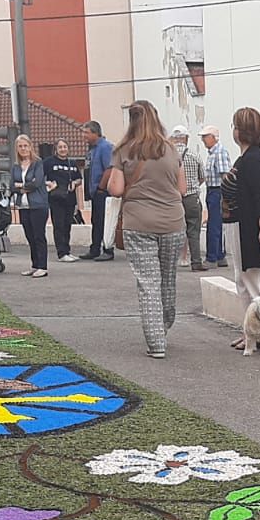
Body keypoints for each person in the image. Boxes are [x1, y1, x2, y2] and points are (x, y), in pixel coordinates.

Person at [108, 100, 187, 359]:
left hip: (138, 222)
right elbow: (183, 189)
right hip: (173, 222)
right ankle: (164, 325)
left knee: (148, 282)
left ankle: (156, 343)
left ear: (131, 121)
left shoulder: (123, 151)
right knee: (167, 278)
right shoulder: (171, 149)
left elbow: (116, 189)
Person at [223, 106, 260, 350]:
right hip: (239, 225)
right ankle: (250, 331)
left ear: (241, 131)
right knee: (243, 281)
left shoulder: (254, 158)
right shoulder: (247, 157)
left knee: (254, 282)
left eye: (235, 125)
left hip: (250, 227)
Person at [9, 134, 49, 278]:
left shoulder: (38, 163)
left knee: (39, 236)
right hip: (23, 206)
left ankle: (43, 266)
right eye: (20, 146)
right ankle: (35, 265)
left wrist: (22, 186)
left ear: (30, 147)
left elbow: (36, 182)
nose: (23, 149)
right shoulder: (15, 167)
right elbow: (12, 185)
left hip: (38, 205)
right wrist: (22, 187)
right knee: (30, 236)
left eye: (25, 146)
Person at [172, 124, 209, 272]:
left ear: (174, 139)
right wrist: (192, 185)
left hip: (174, 199)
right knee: (193, 230)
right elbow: (202, 177)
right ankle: (196, 262)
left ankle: (171, 261)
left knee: (173, 231)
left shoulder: (167, 157)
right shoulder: (194, 155)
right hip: (192, 198)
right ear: (186, 138)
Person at [79, 120, 114, 261]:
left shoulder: (105, 147)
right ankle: (95, 249)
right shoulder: (92, 149)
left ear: (95, 133)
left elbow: (109, 168)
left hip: (103, 192)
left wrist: (101, 187)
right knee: (96, 220)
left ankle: (108, 249)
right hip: (95, 192)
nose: (84, 135)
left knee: (104, 221)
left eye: (86, 133)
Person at [45, 138, 81, 262]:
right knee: (59, 226)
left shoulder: (72, 163)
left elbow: (79, 179)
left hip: (70, 198)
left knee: (67, 226)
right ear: (56, 149)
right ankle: (61, 253)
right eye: (60, 147)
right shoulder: (49, 162)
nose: (63, 149)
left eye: (65, 147)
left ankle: (67, 251)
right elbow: (40, 177)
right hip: (56, 199)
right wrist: (49, 184)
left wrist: (75, 183)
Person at [201, 123, 232, 267]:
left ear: (214, 137)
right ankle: (219, 256)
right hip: (213, 190)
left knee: (213, 225)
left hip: (217, 191)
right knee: (216, 224)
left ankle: (212, 257)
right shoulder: (214, 153)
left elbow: (225, 176)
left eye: (205, 137)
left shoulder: (219, 153)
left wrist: (226, 196)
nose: (203, 140)